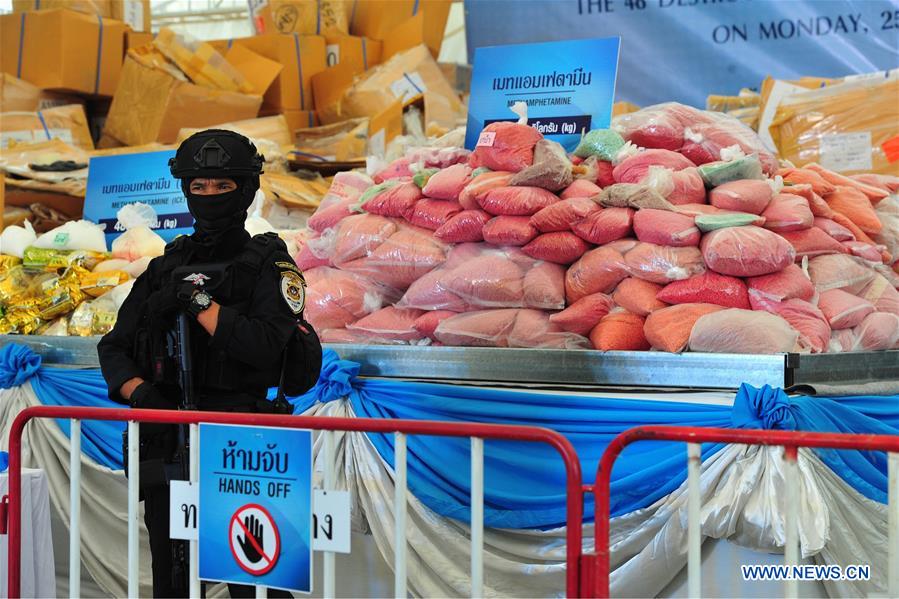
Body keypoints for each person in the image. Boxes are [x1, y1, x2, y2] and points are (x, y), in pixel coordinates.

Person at [98, 130, 310, 598]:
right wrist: (144, 395)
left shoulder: (270, 264)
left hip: (244, 442)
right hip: (170, 440)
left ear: (246, 189)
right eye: (198, 187)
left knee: (257, 579)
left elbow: (264, 346)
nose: (209, 197)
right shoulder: (164, 266)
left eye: (222, 186)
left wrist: (199, 304)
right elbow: (114, 346)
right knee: (173, 581)